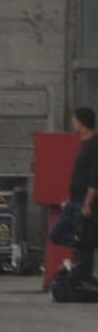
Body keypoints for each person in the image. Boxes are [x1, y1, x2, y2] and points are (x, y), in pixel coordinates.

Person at [50, 107, 98, 290]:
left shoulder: (94, 144)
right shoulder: (84, 143)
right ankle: (83, 248)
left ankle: (83, 279)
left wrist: (88, 203)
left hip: (84, 203)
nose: (72, 124)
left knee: (83, 242)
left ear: (81, 122)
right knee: (56, 234)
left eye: (74, 120)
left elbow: (95, 178)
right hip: (74, 201)